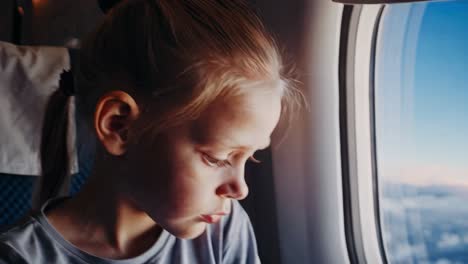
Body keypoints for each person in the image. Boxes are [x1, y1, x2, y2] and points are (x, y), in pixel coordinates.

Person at [0, 0, 300, 263]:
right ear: (120, 128)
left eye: (250, 158)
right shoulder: (21, 256)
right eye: (218, 158)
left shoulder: (223, 233)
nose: (240, 189)